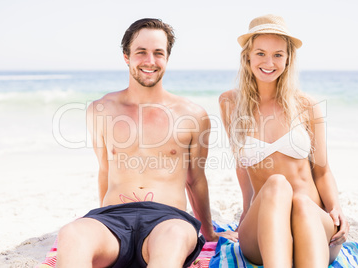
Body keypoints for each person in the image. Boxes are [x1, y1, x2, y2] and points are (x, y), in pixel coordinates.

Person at [56, 18, 236, 268]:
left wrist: (209, 233)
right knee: (72, 234)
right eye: (141, 52)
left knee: (173, 239)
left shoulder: (193, 115)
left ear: (167, 58)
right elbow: (105, 170)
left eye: (158, 53)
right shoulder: (101, 110)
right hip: (113, 220)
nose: (150, 60)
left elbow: (195, 179)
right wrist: (100, 221)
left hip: (168, 221)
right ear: (126, 57)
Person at [219, 14, 349, 267]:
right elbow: (242, 166)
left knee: (300, 201)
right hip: (263, 228)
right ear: (247, 56)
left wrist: (336, 208)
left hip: (311, 221)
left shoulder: (306, 105)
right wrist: (247, 211)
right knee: (277, 183)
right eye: (260, 53)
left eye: (278, 54)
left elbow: (322, 171)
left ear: (288, 59)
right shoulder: (230, 103)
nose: (269, 62)